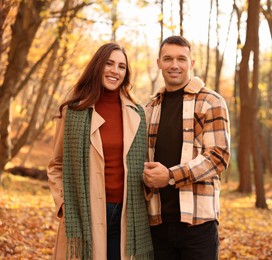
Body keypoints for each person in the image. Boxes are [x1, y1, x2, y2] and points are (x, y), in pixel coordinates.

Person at [47, 42, 153, 260]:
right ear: (97, 66)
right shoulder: (73, 112)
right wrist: (65, 204)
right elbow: (56, 165)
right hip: (85, 210)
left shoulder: (138, 113)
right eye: (109, 63)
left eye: (122, 66)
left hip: (127, 213)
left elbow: (143, 163)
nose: (115, 71)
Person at [142, 35, 230, 260]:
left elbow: (218, 156)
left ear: (191, 63)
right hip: (157, 222)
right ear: (159, 63)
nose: (174, 65)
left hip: (197, 223)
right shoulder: (150, 108)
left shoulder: (211, 101)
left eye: (181, 59)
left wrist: (170, 176)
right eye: (168, 58)